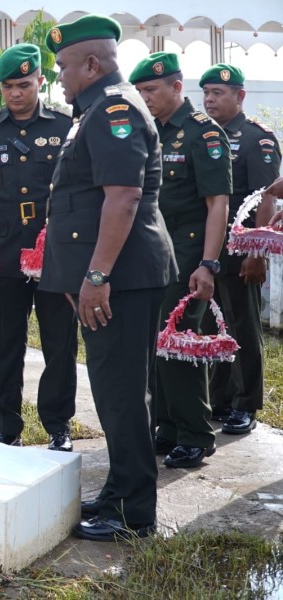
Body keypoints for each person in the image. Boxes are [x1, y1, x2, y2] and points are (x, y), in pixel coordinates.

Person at [40, 15, 177, 541]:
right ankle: (121, 490)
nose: (58, 76)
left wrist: (96, 276)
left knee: (121, 392)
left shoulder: (114, 108)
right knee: (116, 388)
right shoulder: (96, 109)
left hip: (122, 277)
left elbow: (123, 198)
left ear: (92, 64)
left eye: (63, 66)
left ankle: (133, 513)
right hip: (117, 275)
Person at [0, 44, 78, 451]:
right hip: (4, 251)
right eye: (8, 87)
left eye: (23, 85)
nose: (15, 93)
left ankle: (58, 425)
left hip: (53, 249)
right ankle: (6, 427)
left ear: (40, 81)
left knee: (60, 342)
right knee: (5, 343)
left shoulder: (67, 125)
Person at [130, 53, 231, 469]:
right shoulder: (150, 130)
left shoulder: (203, 133)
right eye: (140, 91)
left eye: (151, 90)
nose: (145, 98)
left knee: (181, 346)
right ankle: (169, 427)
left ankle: (196, 435)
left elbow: (218, 203)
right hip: (154, 255)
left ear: (176, 86)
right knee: (158, 346)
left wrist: (208, 263)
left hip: (188, 257)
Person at [199, 63, 281, 435]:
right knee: (212, 325)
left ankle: (246, 404)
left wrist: (256, 253)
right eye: (206, 92)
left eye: (218, 93)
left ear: (240, 96)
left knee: (242, 326)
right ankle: (219, 398)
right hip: (207, 249)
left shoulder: (255, 139)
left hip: (239, 249)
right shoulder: (204, 135)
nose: (209, 99)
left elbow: (266, 198)